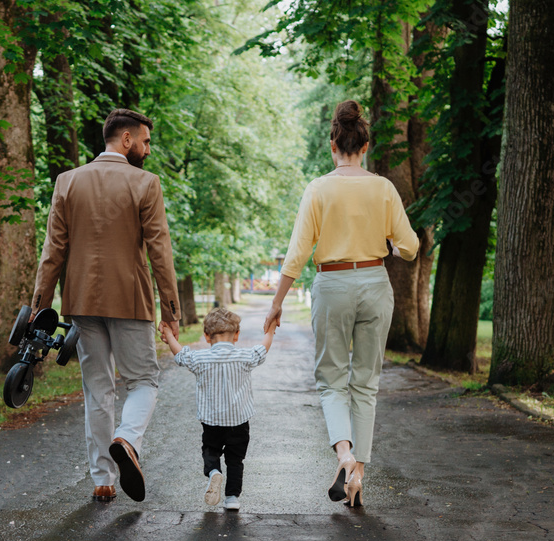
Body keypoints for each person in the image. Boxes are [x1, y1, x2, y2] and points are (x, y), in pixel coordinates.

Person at [264, 100, 419, 508]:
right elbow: (411, 247)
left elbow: (297, 253)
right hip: (374, 280)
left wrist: (277, 303)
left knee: (332, 379)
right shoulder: (383, 188)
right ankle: (358, 478)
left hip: (332, 284)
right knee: (365, 382)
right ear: (364, 146)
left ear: (333, 145)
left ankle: (345, 456)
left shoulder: (318, 188)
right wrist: (389, 246)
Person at [31, 108, 181, 503]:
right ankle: (127, 439)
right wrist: (171, 309)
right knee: (144, 380)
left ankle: (103, 478)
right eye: (145, 141)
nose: (148, 150)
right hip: (130, 299)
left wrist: (39, 308)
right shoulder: (146, 183)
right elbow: (160, 252)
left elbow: (53, 252)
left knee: (98, 390)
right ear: (127, 139)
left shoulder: (67, 181)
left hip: (80, 301)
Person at [162, 307, 274, 511]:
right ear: (237, 335)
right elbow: (263, 348)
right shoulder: (245, 356)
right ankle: (232, 498)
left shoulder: (200, 359)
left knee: (210, 450)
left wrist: (169, 334)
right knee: (235, 461)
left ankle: (213, 472)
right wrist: (271, 327)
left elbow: (180, 355)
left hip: (211, 421)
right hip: (239, 422)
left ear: (206, 336)